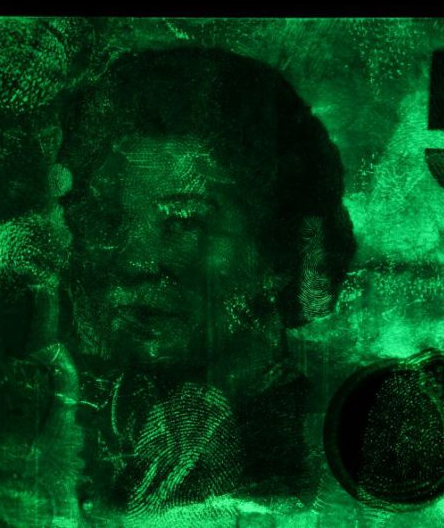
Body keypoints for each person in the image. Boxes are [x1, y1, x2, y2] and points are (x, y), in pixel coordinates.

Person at [58, 47, 357, 519]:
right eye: (109, 218)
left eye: (184, 221)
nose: (133, 260)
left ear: (279, 252)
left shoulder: (331, 451)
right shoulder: (78, 422)